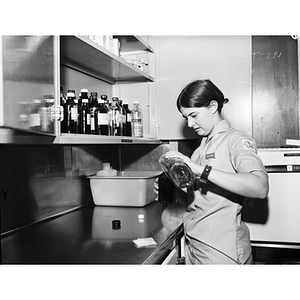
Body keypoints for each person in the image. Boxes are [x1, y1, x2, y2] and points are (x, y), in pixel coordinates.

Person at [164, 79, 269, 264]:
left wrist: (201, 170)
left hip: (222, 251)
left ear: (213, 106)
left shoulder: (235, 140)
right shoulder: (203, 145)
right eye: (185, 117)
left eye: (194, 115)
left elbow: (260, 186)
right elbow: (200, 197)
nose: (189, 124)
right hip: (195, 244)